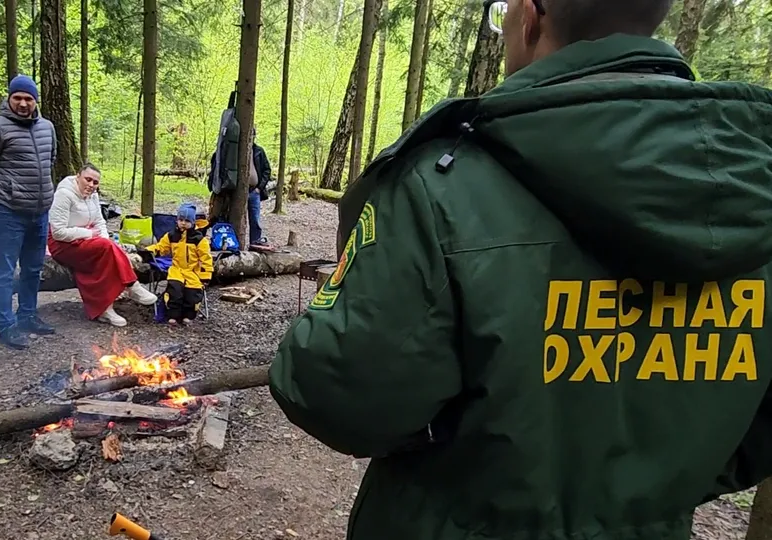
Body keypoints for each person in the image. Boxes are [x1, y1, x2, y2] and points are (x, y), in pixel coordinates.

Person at [269, 0, 772, 538]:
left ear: (532, 16)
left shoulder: (445, 187)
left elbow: (340, 396)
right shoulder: (752, 191)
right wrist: (650, 492)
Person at [0, 74, 56, 350]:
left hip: (40, 212)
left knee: (33, 268)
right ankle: (6, 325)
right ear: (9, 99)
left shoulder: (47, 128)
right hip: (10, 213)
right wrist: (5, 192)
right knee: (5, 271)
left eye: (28, 99)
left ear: (35, 101)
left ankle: (28, 315)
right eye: (17, 98)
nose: (23, 103)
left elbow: (50, 160)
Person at [48, 163, 158, 327]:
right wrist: (88, 234)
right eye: (88, 180)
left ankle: (105, 310)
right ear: (78, 177)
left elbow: (100, 222)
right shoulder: (64, 194)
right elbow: (58, 232)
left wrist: (105, 239)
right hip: (62, 245)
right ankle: (131, 285)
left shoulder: (93, 195)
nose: (91, 185)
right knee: (106, 249)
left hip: (86, 240)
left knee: (106, 253)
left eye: (95, 182)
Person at [144, 203, 213, 325]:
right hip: (176, 269)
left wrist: (205, 276)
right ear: (177, 221)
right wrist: (149, 251)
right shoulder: (171, 236)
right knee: (174, 291)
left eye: (187, 221)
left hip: (193, 271)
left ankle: (188, 316)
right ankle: (173, 315)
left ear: (193, 222)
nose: (183, 223)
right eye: (181, 220)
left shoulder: (199, 239)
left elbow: (206, 259)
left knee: (193, 293)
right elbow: (161, 247)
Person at [249, 128, 271, 246]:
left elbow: (267, 170)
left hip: (254, 191)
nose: (250, 137)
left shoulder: (259, 151)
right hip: (239, 193)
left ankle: (255, 244)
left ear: (254, 136)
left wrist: (259, 188)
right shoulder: (236, 150)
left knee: (255, 220)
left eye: (252, 135)